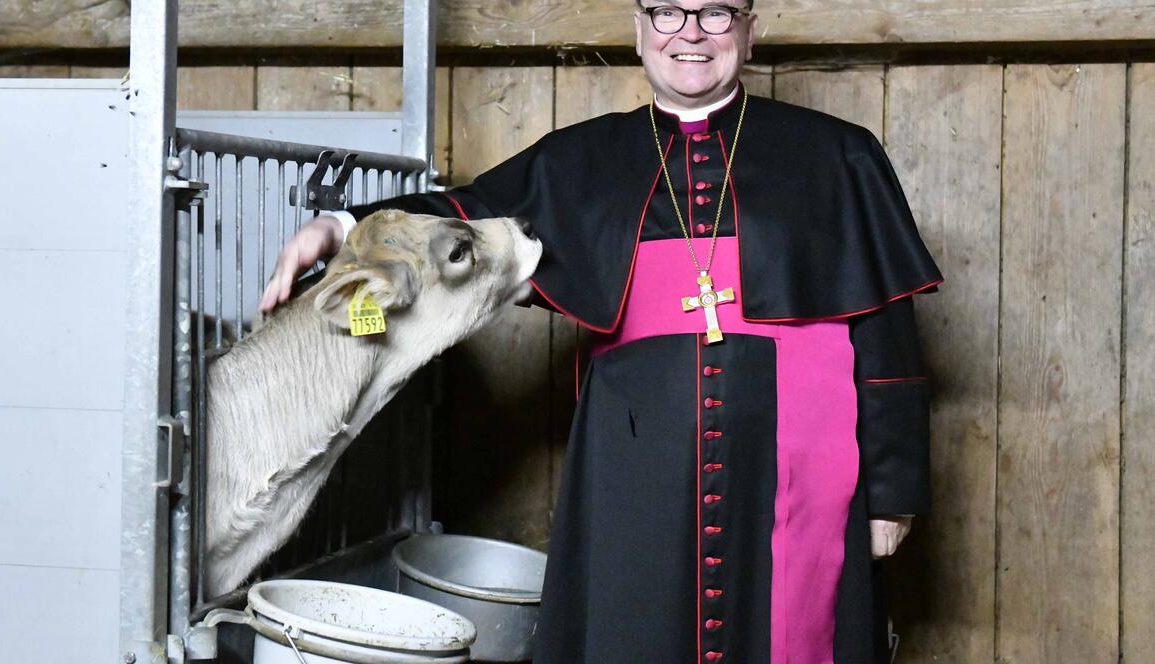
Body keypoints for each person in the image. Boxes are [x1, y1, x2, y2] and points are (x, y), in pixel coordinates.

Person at [260, 0, 942, 661]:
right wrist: (341, 228)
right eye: (668, 13)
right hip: (634, 466)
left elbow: (889, 348)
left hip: (797, 464)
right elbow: (459, 218)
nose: (691, 33)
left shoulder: (837, 156)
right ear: (640, 30)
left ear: (750, 31)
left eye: (716, 13)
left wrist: (893, 496)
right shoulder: (580, 161)